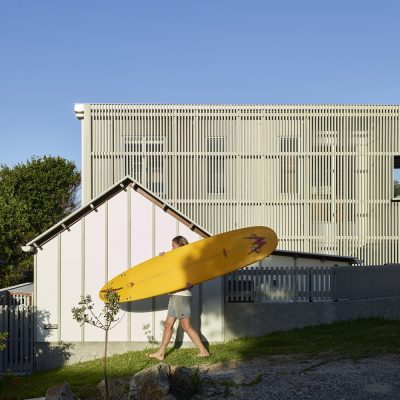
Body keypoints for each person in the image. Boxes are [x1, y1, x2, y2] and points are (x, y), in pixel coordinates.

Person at [148, 235, 210, 360]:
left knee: (186, 326)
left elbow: (193, 277)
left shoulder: (187, 260)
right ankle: (161, 353)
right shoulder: (177, 259)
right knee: (168, 325)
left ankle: (203, 351)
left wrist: (190, 283)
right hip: (175, 295)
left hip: (181, 296)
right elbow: (170, 273)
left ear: (181, 245)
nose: (172, 249)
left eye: (173, 246)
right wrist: (164, 259)